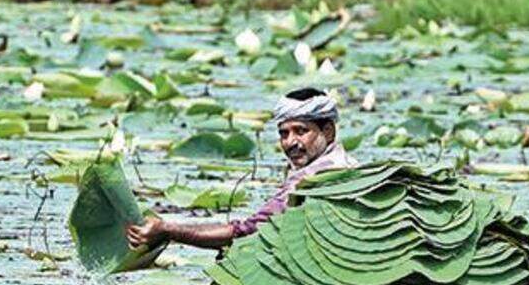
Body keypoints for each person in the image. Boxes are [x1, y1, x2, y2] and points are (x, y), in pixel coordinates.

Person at [126, 87, 357, 251]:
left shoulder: (312, 178)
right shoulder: (350, 165)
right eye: (284, 133)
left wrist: (168, 230)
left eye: (301, 131)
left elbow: (248, 231)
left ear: (328, 132)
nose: (290, 142)